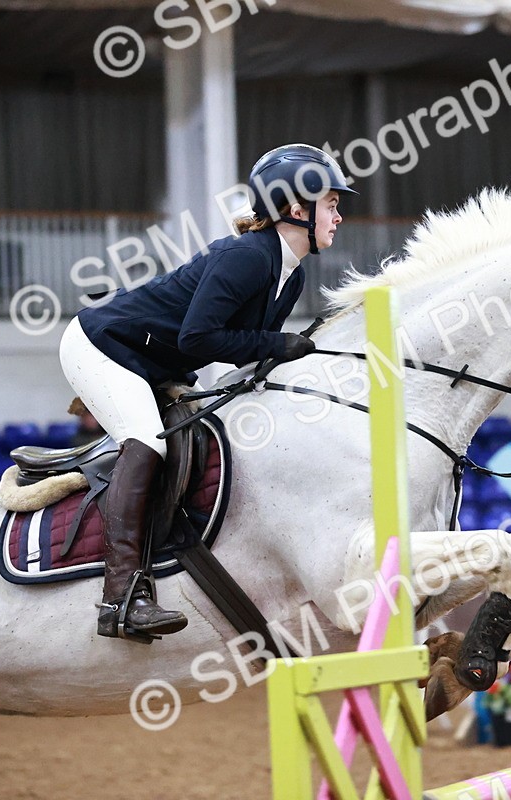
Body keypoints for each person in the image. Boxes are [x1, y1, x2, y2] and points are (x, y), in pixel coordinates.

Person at [58, 143, 357, 641]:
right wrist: (278, 344)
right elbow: (198, 338)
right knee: (147, 440)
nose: (339, 216)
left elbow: (246, 354)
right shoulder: (247, 257)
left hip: (153, 358)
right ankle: (121, 599)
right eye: (331, 204)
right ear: (296, 209)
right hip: (102, 344)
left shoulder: (291, 276)